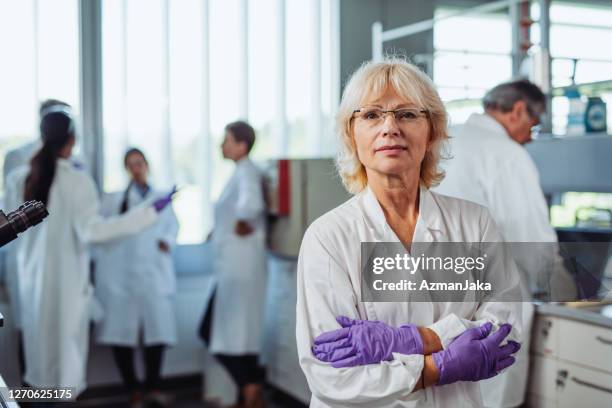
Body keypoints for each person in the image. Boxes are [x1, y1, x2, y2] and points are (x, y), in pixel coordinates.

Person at [296, 58, 523, 407]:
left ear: (431, 131)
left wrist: (412, 340)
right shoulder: (328, 237)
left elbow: (505, 331)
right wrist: (436, 365)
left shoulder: (474, 223)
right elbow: (331, 375)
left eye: (407, 114)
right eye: (371, 115)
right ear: (351, 133)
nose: (390, 128)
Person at [3, 106, 175, 398]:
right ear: (71, 140)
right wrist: (147, 214)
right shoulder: (77, 181)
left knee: (39, 368)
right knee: (62, 374)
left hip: (33, 286)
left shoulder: (19, 178)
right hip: (67, 288)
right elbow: (94, 231)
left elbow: (8, 228)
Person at [434, 79, 576, 408]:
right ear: (517, 110)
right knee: (490, 391)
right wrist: (567, 290)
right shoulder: (507, 154)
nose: (530, 136)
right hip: (488, 295)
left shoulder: (442, 141)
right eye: (533, 125)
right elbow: (533, 241)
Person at [94, 148, 179, 407]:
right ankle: (133, 390)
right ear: (126, 168)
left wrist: (167, 241)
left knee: (157, 335)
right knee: (122, 336)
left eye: (139, 163)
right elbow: (103, 231)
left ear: (147, 164)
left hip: (153, 275)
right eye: (130, 164)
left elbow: (172, 226)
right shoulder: (115, 200)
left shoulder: (161, 198)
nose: (136, 168)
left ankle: (152, 388)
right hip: (123, 278)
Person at [2, 99, 70, 383]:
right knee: (29, 337)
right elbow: (5, 219)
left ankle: (47, 400)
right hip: (25, 264)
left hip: (60, 267)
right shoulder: (18, 160)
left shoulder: (71, 169)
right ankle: (35, 400)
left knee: (54, 342)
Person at [200, 121, 267, 408]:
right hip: (237, 266)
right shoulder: (241, 171)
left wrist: (242, 221)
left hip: (240, 268)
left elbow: (251, 205)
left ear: (241, 145)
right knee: (241, 336)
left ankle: (250, 387)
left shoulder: (247, 171)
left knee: (209, 330)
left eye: (226, 140)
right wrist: (221, 228)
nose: (222, 145)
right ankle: (250, 392)